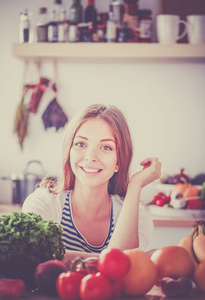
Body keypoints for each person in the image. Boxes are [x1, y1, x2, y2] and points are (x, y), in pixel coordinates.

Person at [22, 104, 161, 266]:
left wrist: (135, 185)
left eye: (106, 147)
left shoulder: (137, 216)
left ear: (119, 161)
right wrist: (104, 260)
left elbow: (121, 269)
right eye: (81, 144)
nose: (90, 157)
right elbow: (33, 256)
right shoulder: (43, 203)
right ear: (69, 151)